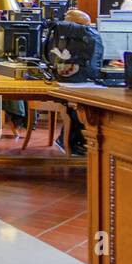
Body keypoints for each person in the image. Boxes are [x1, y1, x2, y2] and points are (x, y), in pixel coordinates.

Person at [45, 8, 103, 155]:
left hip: (72, 83)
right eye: (85, 27)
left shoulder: (58, 35)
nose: (88, 31)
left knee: (80, 106)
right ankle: (76, 142)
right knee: (79, 106)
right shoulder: (87, 37)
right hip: (77, 84)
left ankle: (73, 141)